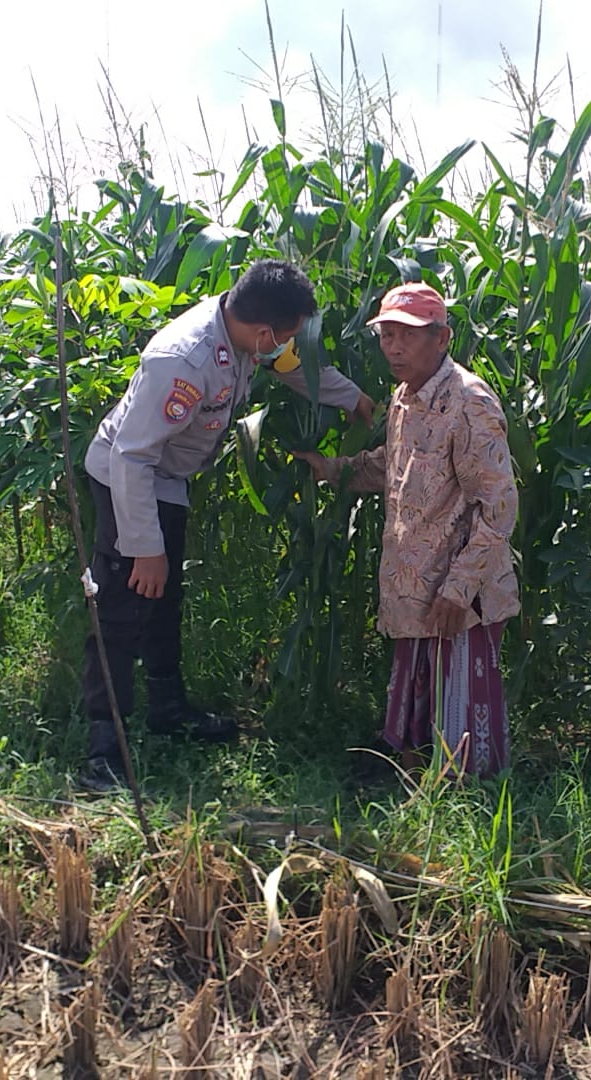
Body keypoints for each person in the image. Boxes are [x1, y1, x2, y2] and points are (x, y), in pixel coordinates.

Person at [78, 259, 374, 792]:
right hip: (127, 476)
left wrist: (351, 398)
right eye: (283, 338)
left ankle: (167, 708)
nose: (284, 346)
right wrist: (144, 547)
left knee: (164, 596)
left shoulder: (245, 335)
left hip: (165, 477)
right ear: (264, 331)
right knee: (121, 606)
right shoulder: (182, 361)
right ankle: (104, 747)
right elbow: (130, 456)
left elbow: (292, 368)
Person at [295, 281, 518, 778]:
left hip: (460, 593)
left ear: (442, 339)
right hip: (414, 582)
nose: (393, 347)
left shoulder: (469, 402)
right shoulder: (404, 398)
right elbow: (391, 467)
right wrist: (333, 469)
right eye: (386, 335)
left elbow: (499, 505)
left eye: (407, 335)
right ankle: (415, 795)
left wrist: (459, 588)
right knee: (419, 695)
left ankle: (466, 813)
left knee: (458, 713)